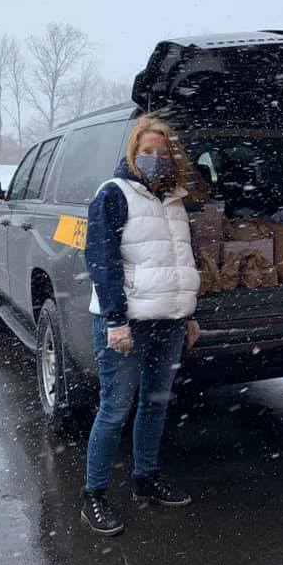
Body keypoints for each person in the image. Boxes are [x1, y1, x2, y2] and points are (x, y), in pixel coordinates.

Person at [81, 113, 202, 536]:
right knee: (114, 410)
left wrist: (189, 314)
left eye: (161, 152)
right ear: (133, 154)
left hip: (169, 322)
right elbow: (102, 260)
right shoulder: (113, 194)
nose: (154, 158)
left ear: (173, 157)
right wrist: (115, 320)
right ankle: (93, 495)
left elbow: (182, 261)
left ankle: (146, 478)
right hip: (127, 323)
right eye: (146, 151)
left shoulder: (174, 201)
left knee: (155, 402)